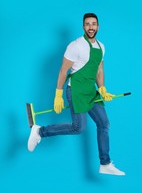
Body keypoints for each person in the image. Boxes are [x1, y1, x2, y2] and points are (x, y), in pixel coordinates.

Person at [27, 13, 125, 176]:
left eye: (94, 24)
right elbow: (63, 70)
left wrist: (102, 89)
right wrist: (58, 94)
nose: (91, 27)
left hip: (90, 92)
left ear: (98, 26)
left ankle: (105, 163)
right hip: (76, 91)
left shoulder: (101, 47)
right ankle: (40, 131)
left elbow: (99, 70)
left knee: (104, 123)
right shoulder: (76, 45)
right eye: (87, 24)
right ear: (83, 27)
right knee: (78, 127)